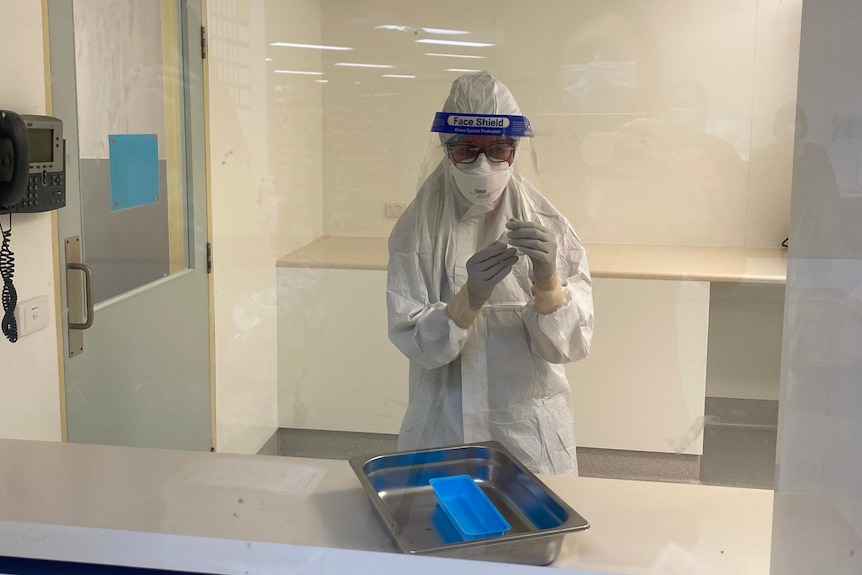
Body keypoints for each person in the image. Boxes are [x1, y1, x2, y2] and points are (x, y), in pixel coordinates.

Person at [386, 72, 594, 475]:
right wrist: (467, 302)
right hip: (444, 423)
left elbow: (571, 346)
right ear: (445, 148)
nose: (483, 164)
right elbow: (415, 342)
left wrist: (549, 285)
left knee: (533, 527)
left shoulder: (549, 224)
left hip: (527, 429)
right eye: (466, 150)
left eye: (498, 149)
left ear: (515, 150)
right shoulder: (416, 230)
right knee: (443, 523)